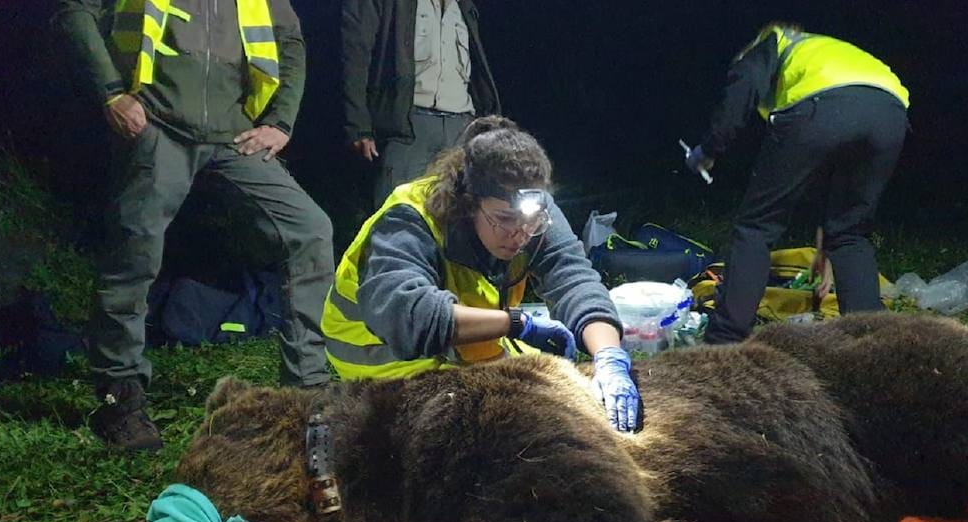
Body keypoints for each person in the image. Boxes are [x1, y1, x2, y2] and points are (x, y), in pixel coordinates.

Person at [53, 0, 335, 452]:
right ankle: (119, 398)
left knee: (310, 230)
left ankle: (309, 391)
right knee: (133, 255)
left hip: (236, 135)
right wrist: (110, 91)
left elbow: (290, 41)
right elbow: (76, 4)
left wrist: (280, 122)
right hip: (158, 126)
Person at [320, 116, 641, 431]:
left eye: (532, 221)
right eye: (505, 219)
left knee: (550, 394)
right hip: (381, 354)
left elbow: (573, 277)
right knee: (507, 421)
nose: (521, 234)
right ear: (468, 203)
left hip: (464, 337)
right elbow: (410, 319)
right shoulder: (409, 219)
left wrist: (609, 357)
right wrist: (517, 325)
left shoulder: (530, 208)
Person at [686, 23, 909, 344]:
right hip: (890, 113)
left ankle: (725, 341)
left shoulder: (769, 41)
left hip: (820, 105)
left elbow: (744, 86)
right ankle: (869, 341)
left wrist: (708, 150)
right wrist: (822, 248)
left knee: (755, 228)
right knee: (849, 233)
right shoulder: (826, 51)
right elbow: (822, 178)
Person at [340, 0, 501, 206]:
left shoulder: (462, 0)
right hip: (407, 128)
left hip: (460, 131)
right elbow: (355, 55)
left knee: (456, 223)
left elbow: (475, 70)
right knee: (396, 221)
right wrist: (357, 124)